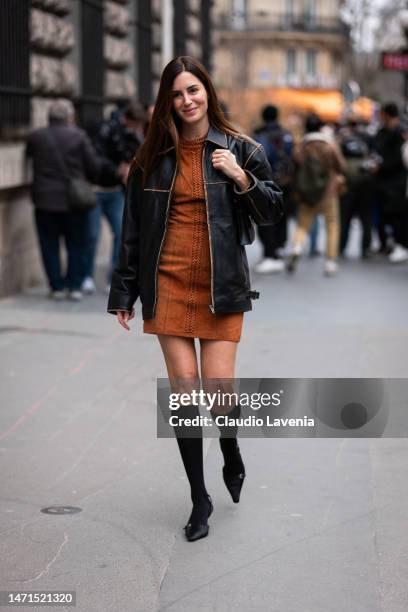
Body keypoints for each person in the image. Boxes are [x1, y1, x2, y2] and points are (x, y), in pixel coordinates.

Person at [107, 56, 283, 542]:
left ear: (208, 91)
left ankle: (230, 448)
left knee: (219, 387)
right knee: (184, 392)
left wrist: (241, 179)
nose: (187, 101)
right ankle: (199, 497)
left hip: (220, 285)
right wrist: (123, 291)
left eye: (194, 90)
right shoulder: (150, 157)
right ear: (167, 101)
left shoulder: (242, 149)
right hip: (167, 283)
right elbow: (132, 231)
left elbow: (273, 213)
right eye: (177, 94)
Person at [26, 99, 100, 300]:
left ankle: (56, 286)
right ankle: (74, 285)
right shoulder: (79, 136)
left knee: (48, 245)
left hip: (44, 200)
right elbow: (93, 166)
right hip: (73, 201)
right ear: (69, 117)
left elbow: (29, 161)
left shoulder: (36, 137)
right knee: (76, 244)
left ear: (49, 117)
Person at [82, 102, 146, 294]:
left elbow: (136, 156)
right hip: (96, 190)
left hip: (115, 192)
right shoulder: (105, 130)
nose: (136, 129)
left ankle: (114, 277)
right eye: (134, 125)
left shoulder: (132, 135)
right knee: (92, 236)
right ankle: (87, 276)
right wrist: (118, 170)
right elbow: (95, 158)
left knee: (121, 233)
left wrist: (131, 168)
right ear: (127, 119)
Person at [287, 113, 346, 277]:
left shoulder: (301, 146)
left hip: (307, 193)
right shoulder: (330, 145)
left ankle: (297, 247)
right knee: (332, 225)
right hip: (329, 192)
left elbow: (295, 166)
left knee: (303, 224)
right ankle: (330, 263)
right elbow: (342, 165)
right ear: (320, 127)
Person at [253, 105, 294, 273]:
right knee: (282, 215)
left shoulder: (260, 135)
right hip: (286, 182)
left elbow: (260, 159)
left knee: (265, 218)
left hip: (266, 182)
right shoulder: (287, 135)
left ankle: (270, 256)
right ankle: (280, 248)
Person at [373, 102, 408, 263]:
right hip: (383, 182)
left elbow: (400, 159)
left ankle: (400, 244)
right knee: (384, 214)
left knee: (397, 215)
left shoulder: (399, 133)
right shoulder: (382, 132)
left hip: (396, 183)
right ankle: (387, 243)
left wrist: (381, 166)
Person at [338, 117, 375, 258]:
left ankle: (341, 246)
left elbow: (339, 161)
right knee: (366, 217)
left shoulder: (344, 139)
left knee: (345, 215)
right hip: (366, 181)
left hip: (348, 182)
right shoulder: (368, 138)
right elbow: (374, 157)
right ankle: (365, 248)